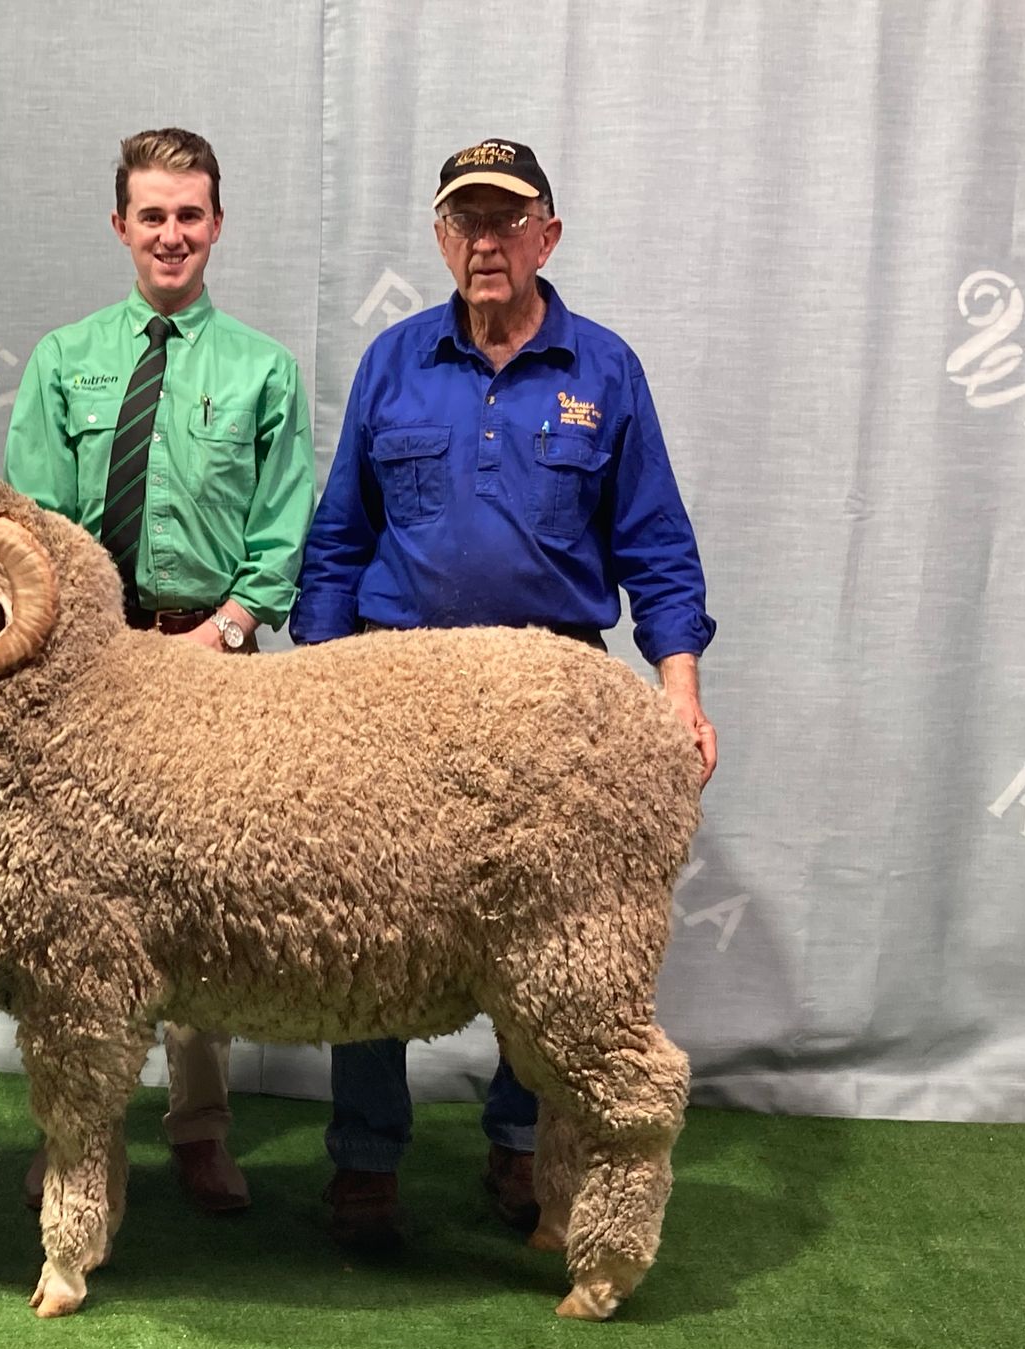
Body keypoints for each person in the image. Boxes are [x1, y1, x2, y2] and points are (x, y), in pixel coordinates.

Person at [289, 137, 718, 1249]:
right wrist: (323, 686)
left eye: (506, 219)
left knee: (552, 934)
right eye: (464, 221)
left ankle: (522, 1148)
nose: (485, 241)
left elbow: (658, 545)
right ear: (441, 239)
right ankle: (367, 1158)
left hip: (550, 705)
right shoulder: (393, 362)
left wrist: (679, 688)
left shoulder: (605, 371)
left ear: (547, 236)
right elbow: (337, 542)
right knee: (363, 923)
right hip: (394, 696)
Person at [4, 127, 317, 1214]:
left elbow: (284, 538)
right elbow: (33, 529)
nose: (172, 233)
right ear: (121, 226)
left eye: (191, 214)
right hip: (88, 666)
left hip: (214, 659)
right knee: (76, 915)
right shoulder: (63, 360)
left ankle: (199, 1127)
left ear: (217, 224)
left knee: (202, 899)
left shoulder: (264, 372)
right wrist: (86, 649)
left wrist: (222, 632)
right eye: (153, 214)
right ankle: (79, 1133)